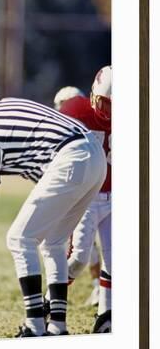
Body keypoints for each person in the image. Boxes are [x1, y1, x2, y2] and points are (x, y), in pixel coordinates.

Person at [0, 97, 107, 337]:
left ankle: (35, 326)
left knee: (19, 239)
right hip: (96, 156)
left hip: (70, 158)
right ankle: (57, 326)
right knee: (54, 241)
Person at [58, 67, 112, 332]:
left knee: (115, 260)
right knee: (78, 258)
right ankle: (51, 299)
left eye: (113, 104)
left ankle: (106, 315)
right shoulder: (76, 111)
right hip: (88, 196)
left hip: (115, 197)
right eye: (104, 102)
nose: (108, 111)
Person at [53, 84, 101, 308]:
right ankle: (97, 287)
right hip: (86, 192)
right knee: (85, 248)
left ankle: (54, 298)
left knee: (82, 249)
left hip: (90, 194)